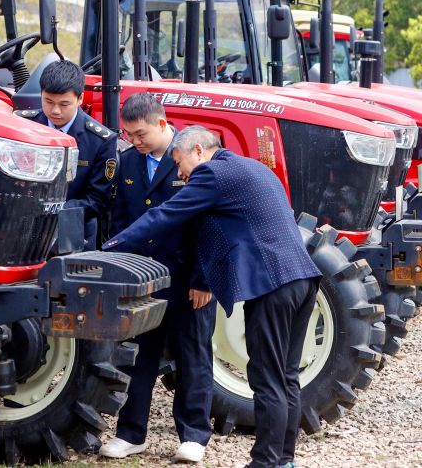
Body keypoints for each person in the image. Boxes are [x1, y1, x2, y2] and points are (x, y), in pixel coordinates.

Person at [103, 126, 322, 468]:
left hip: (273, 285)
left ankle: (264, 463)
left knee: (266, 378)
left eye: (179, 163)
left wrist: (111, 247)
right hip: (304, 278)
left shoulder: (212, 174)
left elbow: (165, 214)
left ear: (199, 151)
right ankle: (283, 460)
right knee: (286, 376)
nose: (179, 174)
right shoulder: (255, 168)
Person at [99, 94, 215, 463]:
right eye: (129, 135)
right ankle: (130, 434)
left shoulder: (192, 158)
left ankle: (193, 435)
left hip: (188, 278)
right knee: (137, 356)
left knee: (192, 354)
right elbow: (121, 220)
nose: (135, 141)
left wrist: (203, 279)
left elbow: (208, 226)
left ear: (162, 124)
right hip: (143, 278)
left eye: (141, 134)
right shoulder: (129, 162)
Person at [17, 60, 116, 249]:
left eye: (64, 104)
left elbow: (97, 200)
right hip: (22, 226)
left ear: (80, 99)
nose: (55, 111)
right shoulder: (23, 126)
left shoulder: (100, 140)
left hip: (73, 232)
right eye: (48, 102)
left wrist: (50, 210)